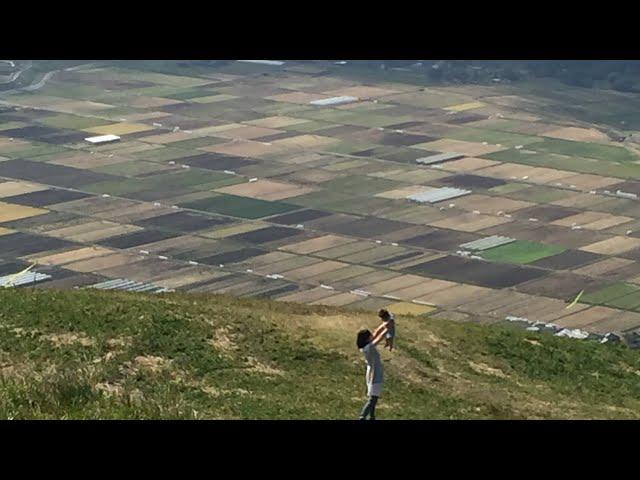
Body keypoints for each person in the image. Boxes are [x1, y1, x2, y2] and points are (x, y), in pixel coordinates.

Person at [356, 324, 388, 420]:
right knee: (373, 399)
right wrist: (387, 329)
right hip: (375, 374)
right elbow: (379, 337)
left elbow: (375, 335)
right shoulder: (369, 347)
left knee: (374, 397)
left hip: (372, 372)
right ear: (367, 339)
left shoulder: (365, 347)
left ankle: (372, 417)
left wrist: (382, 326)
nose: (372, 336)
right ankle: (362, 416)